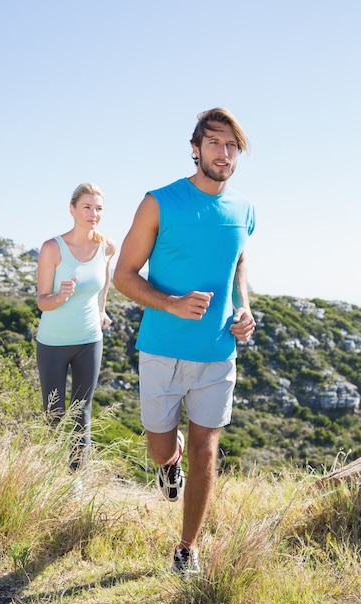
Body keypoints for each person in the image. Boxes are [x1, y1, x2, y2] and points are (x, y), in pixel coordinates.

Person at [113, 108, 256, 575]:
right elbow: (124, 276)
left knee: (206, 449)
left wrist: (244, 307)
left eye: (232, 145)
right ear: (195, 148)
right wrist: (172, 304)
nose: (224, 152)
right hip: (161, 348)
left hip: (217, 351)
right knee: (161, 447)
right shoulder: (159, 202)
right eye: (215, 142)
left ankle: (186, 549)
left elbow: (238, 263)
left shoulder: (244, 210)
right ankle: (165, 461)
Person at [36, 182, 115, 471]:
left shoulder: (107, 246)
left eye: (98, 208)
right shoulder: (52, 248)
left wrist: (102, 309)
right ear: (72, 209)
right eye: (87, 207)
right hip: (53, 343)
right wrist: (59, 296)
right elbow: (42, 302)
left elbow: (104, 282)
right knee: (55, 414)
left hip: (89, 340)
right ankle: (50, 475)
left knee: (82, 411)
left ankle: (75, 479)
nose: (93, 213)